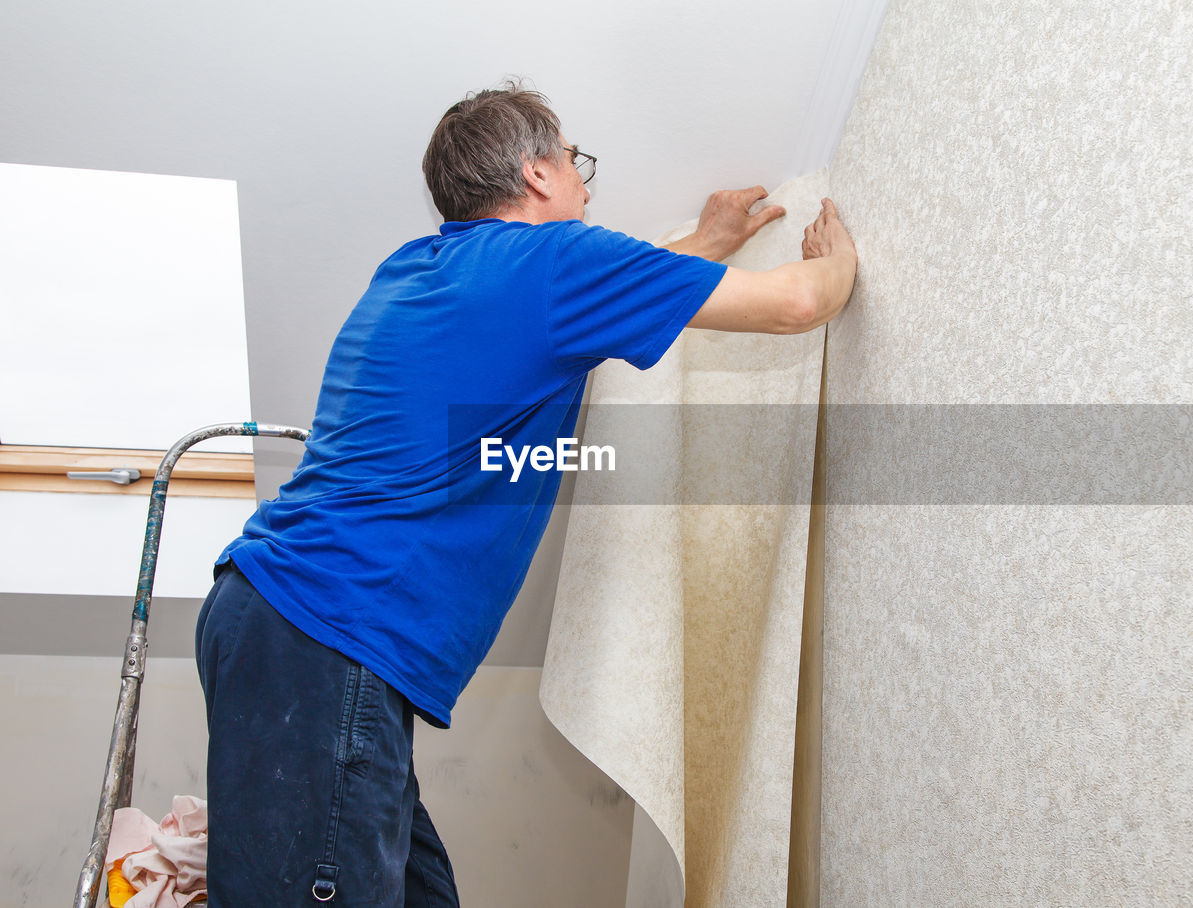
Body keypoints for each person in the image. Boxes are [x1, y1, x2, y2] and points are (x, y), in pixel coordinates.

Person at [195, 84, 857, 906]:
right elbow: (798, 305)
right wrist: (842, 260)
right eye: (576, 163)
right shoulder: (553, 266)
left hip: (285, 622)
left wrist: (709, 242)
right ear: (539, 173)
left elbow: (584, 310)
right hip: (326, 633)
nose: (584, 183)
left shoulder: (417, 270)